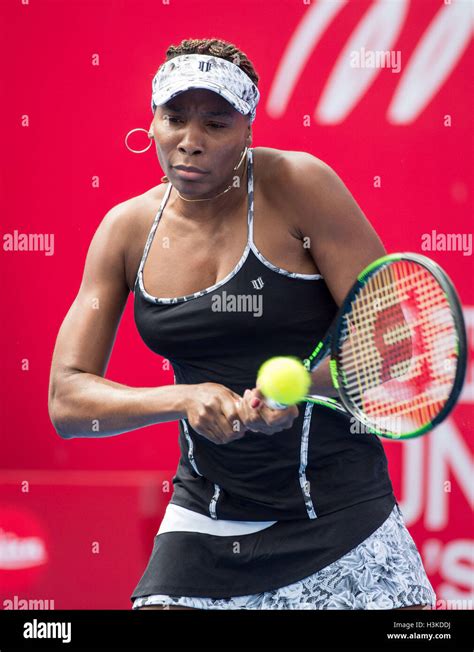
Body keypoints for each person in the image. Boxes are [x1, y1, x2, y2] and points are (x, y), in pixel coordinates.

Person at [48, 38, 436, 610]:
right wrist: (184, 398)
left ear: (249, 128)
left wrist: (305, 388)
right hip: (204, 521)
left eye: (216, 123)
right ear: (151, 124)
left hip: (344, 520)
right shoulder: (125, 231)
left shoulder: (301, 186)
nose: (191, 142)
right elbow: (67, 401)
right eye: (174, 118)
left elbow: (394, 344)